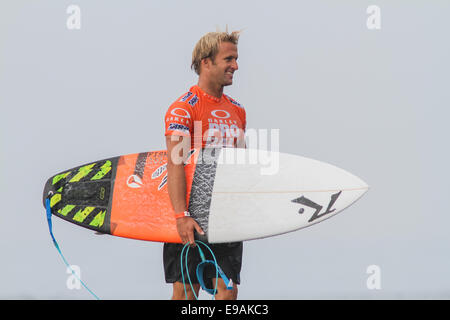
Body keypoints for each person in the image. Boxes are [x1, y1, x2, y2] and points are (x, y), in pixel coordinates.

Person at [163, 30, 246, 300]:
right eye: (228, 58)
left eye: (235, 58)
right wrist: (180, 215)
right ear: (205, 62)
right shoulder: (183, 109)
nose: (235, 65)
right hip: (192, 216)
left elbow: (241, 164)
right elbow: (175, 163)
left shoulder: (238, 110)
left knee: (228, 291)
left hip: (226, 217)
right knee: (187, 291)